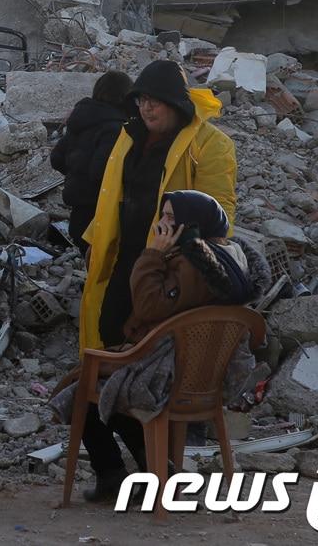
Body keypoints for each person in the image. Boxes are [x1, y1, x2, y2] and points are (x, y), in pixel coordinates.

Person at [74, 190, 261, 501]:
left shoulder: (192, 265)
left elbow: (148, 307)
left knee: (84, 390)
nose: (161, 224)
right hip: (205, 380)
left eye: (171, 218)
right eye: (162, 215)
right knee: (100, 387)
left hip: (166, 375)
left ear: (193, 224)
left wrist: (153, 256)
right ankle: (153, 472)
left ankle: (121, 475)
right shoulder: (231, 261)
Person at [79, 59, 237, 353]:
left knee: (150, 335)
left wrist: (195, 264)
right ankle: (101, 388)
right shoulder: (131, 136)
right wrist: (94, 238)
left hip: (169, 257)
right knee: (110, 322)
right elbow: (113, 194)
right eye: (142, 99)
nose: (146, 108)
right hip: (126, 248)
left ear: (175, 103)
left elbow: (219, 211)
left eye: (155, 101)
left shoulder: (211, 144)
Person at [50, 71, 134, 244]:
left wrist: (76, 173)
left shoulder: (81, 117)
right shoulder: (115, 128)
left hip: (77, 207)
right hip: (98, 212)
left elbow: (56, 158)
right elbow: (101, 171)